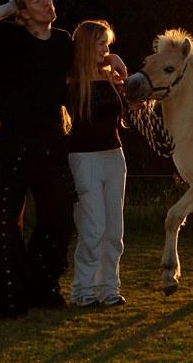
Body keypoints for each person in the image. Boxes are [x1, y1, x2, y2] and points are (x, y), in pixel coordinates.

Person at [0, 0, 125, 318]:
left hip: (52, 143)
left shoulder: (63, 41)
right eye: (36, 0)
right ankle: (9, 296)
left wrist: (111, 56)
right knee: (3, 221)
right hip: (11, 142)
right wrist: (12, 5)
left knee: (58, 220)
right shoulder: (10, 35)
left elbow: (85, 65)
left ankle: (42, 287)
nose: (46, 3)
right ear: (23, 12)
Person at [65, 19, 128, 307]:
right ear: (87, 44)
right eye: (101, 43)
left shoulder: (111, 78)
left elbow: (126, 111)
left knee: (114, 230)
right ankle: (83, 291)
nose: (106, 48)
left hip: (114, 157)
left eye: (108, 43)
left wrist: (117, 63)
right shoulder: (69, 79)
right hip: (83, 158)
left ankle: (108, 289)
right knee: (93, 229)